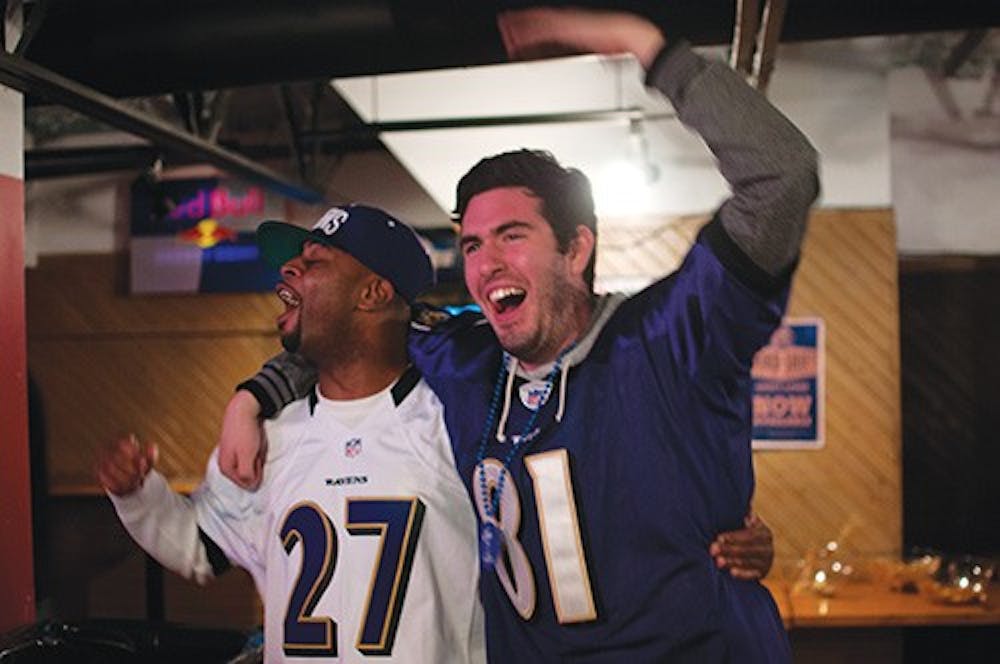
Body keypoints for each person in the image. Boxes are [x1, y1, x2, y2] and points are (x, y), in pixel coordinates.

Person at [223, 6, 817, 660]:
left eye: (512, 235)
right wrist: (251, 398)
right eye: (473, 244)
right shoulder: (465, 360)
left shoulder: (673, 338)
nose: (486, 261)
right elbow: (346, 331)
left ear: (577, 249)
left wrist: (643, 44)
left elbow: (783, 176)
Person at [96, 205, 485, 663]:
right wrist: (139, 495)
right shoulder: (270, 436)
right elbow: (202, 545)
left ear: (374, 293)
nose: (288, 269)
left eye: (314, 261)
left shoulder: (454, 423)